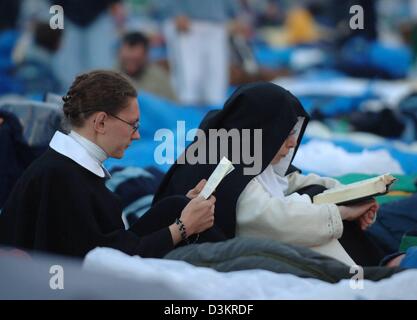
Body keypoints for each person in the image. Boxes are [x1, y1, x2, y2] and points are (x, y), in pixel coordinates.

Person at [153, 82, 387, 267]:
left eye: (294, 133)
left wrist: (352, 197)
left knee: (318, 194)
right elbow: (273, 221)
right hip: (207, 259)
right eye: (285, 133)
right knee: (317, 229)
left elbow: (290, 180)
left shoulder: (248, 149)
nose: (293, 142)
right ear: (261, 129)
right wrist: (341, 212)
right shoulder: (221, 166)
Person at [0, 70, 218, 258]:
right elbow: (106, 263)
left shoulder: (65, 168)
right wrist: (183, 227)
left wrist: (183, 211)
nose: (137, 136)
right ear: (101, 122)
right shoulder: (62, 178)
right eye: (133, 125)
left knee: (176, 206)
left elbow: (112, 241)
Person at [118, 31, 177, 101]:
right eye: (127, 59)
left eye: (136, 60)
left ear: (146, 55)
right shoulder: (110, 78)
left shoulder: (159, 77)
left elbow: (174, 106)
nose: (130, 65)